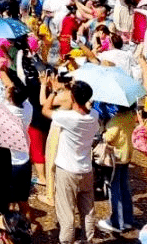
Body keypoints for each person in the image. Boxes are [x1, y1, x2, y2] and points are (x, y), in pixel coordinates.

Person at [42, 80, 99, 244]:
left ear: (72, 97)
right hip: (86, 169)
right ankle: (87, 240)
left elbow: (45, 109)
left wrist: (54, 91)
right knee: (87, 210)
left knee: (66, 213)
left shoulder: (67, 117)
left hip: (67, 170)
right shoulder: (94, 115)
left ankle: (66, 242)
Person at [98, 104, 137, 233]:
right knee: (124, 187)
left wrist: (104, 129)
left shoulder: (116, 120)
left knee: (114, 189)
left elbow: (108, 137)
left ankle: (116, 222)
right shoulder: (131, 117)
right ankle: (127, 220)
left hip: (115, 157)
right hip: (127, 155)